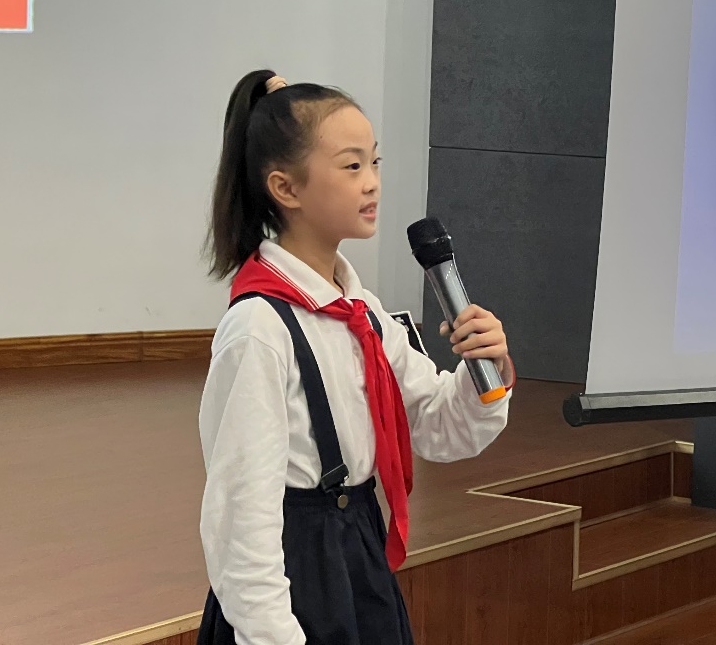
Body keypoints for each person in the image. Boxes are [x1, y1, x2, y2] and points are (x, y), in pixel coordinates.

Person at [196, 70, 514, 645]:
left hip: (359, 552)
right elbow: (241, 518)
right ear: (285, 188)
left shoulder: (362, 312)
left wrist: (481, 371)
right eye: (351, 166)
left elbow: (438, 428)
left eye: (375, 162)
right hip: (296, 571)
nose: (372, 183)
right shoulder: (259, 330)